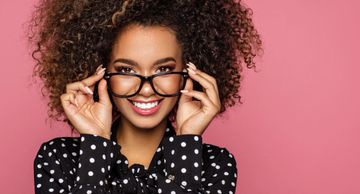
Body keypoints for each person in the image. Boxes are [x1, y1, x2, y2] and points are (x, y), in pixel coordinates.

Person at [29, 0, 262, 193]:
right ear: (101, 73)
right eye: (126, 70)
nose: (146, 89)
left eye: (163, 69)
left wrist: (187, 142)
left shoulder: (215, 165)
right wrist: (95, 144)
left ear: (188, 72)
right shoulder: (58, 159)